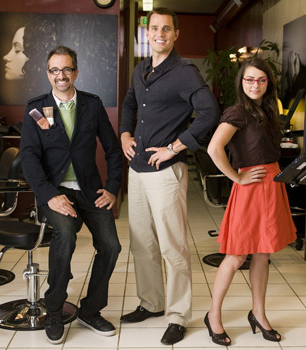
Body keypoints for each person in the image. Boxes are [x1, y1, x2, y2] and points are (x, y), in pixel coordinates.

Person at [119, 7, 220, 346]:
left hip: (165, 172)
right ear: (147, 34)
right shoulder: (141, 69)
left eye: (166, 29)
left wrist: (176, 147)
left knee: (172, 247)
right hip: (137, 170)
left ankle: (178, 315)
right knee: (143, 244)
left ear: (176, 34)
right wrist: (124, 135)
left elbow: (209, 112)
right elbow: (130, 103)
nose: (159, 34)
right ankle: (151, 302)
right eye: (154, 28)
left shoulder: (184, 72)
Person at [21, 45, 123, 344]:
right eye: (55, 70)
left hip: (90, 190)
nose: (61, 75)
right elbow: (29, 157)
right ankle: (53, 309)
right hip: (54, 192)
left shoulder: (92, 105)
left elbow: (114, 150)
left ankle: (90, 310)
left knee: (112, 245)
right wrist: (49, 195)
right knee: (66, 235)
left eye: (66, 69)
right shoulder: (36, 108)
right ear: (48, 73)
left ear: (76, 72)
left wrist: (113, 188)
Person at [205, 58, 297, 346]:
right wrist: (237, 177)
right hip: (251, 186)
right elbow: (214, 148)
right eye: (249, 79)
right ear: (241, 82)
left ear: (268, 83)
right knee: (236, 256)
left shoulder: (269, 111)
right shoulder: (237, 112)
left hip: (272, 185)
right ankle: (213, 315)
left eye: (260, 79)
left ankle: (258, 313)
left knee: (262, 254)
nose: (254, 84)